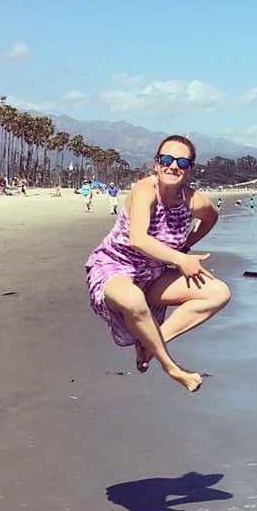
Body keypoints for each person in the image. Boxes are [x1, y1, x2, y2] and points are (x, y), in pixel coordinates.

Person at [85, 135, 231, 392]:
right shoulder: (145, 189)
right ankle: (170, 366)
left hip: (153, 275)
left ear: (189, 168)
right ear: (156, 163)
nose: (173, 166)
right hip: (114, 267)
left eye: (182, 162)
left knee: (218, 293)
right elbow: (138, 239)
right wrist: (180, 258)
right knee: (132, 299)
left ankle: (150, 343)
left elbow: (211, 217)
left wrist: (186, 245)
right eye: (166, 159)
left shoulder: (193, 200)